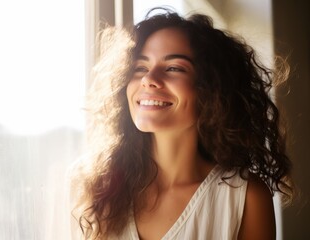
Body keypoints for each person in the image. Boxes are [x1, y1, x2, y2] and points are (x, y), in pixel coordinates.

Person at [68, 8, 294, 240]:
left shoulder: (246, 198)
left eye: (174, 68)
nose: (149, 79)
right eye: (140, 68)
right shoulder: (99, 188)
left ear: (212, 89)